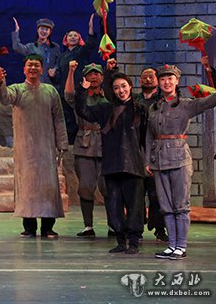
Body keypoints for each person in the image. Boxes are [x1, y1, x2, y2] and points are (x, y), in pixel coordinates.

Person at [146, 63, 216, 260]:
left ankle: (181, 246)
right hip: (158, 160)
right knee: (165, 206)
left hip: (179, 158)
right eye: (163, 79)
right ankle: (171, 246)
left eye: (170, 78)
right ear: (159, 83)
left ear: (177, 81)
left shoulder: (186, 104)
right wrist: (147, 161)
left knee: (181, 205)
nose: (166, 82)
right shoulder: (154, 107)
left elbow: (212, 100)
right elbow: (149, 136)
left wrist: (211, 72)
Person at [0, 54, 68, 238]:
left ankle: (48, 227)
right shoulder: (18, 90)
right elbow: (4, 98)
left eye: (36, 65)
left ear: (42, 69)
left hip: (46, 147)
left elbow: (59, 119)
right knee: (27, 187)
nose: (33, 68)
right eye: (30, 65)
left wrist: (62, 144)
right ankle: (29, 227)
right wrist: (0, 83)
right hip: (25, 148)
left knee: (48, 186)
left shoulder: (50, 91)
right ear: (24, 69)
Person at [75, 65, 146, 254]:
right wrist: (82, 90)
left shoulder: (140, 109)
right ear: (112, 91)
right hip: (112, 164)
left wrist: (147, 161)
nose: (121, 91)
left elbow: (146, 137)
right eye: (116, 88)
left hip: (133, 164)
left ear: (130, 86)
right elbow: (83, 111)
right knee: (114, 204)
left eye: (123, 86)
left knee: (135, 205)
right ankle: (121, 241)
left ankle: (133, 242)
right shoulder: (106, 109)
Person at [64, 60, 110, 237]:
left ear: (102, 77)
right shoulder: (81, 97)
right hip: (84, 144)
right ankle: (88, 226)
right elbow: (68, 95)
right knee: (85, 187)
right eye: (89, 74)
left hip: (106, 144)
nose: (93, 77)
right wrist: (71, 71)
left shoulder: (108, 95)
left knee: (108, 187)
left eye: (96, 73)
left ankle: (114, 225)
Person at [134, 66, 168, 243]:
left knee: (157, 194)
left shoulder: (162, 101)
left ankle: (160, 229)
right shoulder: (134, 100)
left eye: (151, 77)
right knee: (137, 194)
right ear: (140, 80)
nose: (148, 80)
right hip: (137, 151)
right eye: (145, 77)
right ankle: (137, 230)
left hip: (156, 150)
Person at [51, 14, 98, 144]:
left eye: (75, 35)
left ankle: (82, 144)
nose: (72, 37)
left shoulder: (81, 51)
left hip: (78, 91)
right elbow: (58, 78)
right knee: (67, 119)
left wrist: (90, 28)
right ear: (65, 39)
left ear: (79, 39)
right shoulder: (62, 56)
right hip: (64, 92)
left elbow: (91, 44)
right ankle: (69, 144)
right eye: (70, 35)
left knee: (80, 118)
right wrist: (53, 75)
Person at [11, 17, 60, 83]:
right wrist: (16, 31)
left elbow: (59, 62)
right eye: (42, 29)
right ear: (37, 30)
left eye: (46, 29)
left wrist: (55, 69)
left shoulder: (55, 47)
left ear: (50, 32)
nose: (44, 31)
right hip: (35, 83)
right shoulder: (31, 47)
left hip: (51, 84)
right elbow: (16, 47)